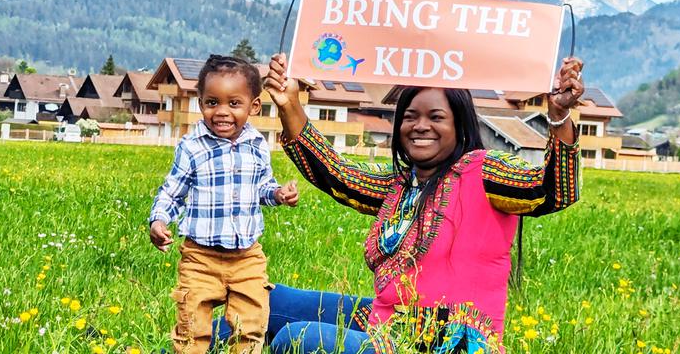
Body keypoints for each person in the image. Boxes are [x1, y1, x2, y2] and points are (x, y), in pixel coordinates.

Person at [257, 52, 584, 354]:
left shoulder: (483, 173)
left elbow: (553, 191)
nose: (420, 126)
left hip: (451, 343)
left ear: (459, 124)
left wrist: (559, 118)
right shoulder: (401, 185)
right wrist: (289, 105)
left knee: (297, 338)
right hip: (389, 322)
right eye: (410, 116)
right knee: (263, 301)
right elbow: (338, 176)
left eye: (436, 117)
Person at [148, 54, 299, 354]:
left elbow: (261, 188)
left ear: (254, 106)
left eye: (234, 103)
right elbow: (172, 191)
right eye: (212, 102)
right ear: (200, 102)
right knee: (192, 328)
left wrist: (278, 194)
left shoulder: (257, 145)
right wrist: (159, 220)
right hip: (200, 257)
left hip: (247, 258)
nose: (222, 112)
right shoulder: (192, 147)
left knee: (252, 324)